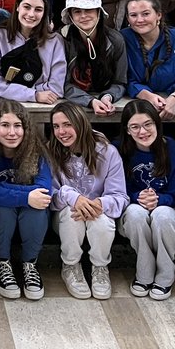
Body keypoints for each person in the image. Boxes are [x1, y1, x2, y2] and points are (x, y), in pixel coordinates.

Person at [0, 99, 52, 300]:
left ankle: (29, 264)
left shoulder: (37, 152)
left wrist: (8, 193)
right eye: (5, 125)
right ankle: (2, 263)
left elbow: (44, 190)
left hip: (29, 218)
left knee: (37, 207)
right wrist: (24, 195)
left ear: (26, 129)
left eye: (17, 126)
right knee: (3, 209)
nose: (12, 132)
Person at [47, 101, 128, 300]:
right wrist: (73, 198)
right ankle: (71, 265)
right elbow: (49, 195)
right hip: (66, 214)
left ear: (80, 123)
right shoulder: (50, 151)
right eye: (56, 126)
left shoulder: (108, 152)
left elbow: (120, 196)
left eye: (67, 124)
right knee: (71, 216)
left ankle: (100, 268)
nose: (61, 132)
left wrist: (98, 204)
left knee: (100, 220)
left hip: (98, 212)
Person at [117, 99, 175, 300]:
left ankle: (166, 274)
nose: (143, 132)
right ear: (127, 130)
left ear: (157, 124)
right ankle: (144, 271)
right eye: (135, 126)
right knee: (135, 212)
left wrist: (159, 200)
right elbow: (117, 189)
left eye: (148, 124)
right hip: (133, 213)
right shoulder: (119, 150)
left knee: (162, 215)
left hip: (169, 212)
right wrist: (135, 197)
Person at [121, 0, 175, 121]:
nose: (140, 20)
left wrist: (174, 99)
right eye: (133, 15)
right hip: (137, 107)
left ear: (158, 15)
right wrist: (148, 96)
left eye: (146, 14)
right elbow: (125, 80)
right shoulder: (122, 39)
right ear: (128, 19)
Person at [0, 0, 65, 105]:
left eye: (38, 9)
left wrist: (15, 90)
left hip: (45, 106)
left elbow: (56, 87)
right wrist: (34, 94)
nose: (31, 14)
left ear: (44, 13)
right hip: (6, 104)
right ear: (17, 7)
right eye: (26, 7)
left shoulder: (55, 41)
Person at [58, 0, 125, 115]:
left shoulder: (115, 40)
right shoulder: (62, 40)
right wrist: (90, 101)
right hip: (71, 103)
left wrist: (108, 97)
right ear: (70, 16)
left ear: (98, 12)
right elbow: (62, 84)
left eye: (88, 10)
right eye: (77, 11)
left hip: (108, 101)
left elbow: (120, 81)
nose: (83, 16)